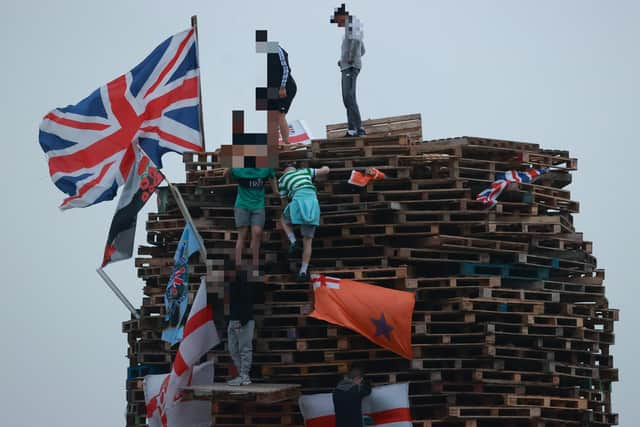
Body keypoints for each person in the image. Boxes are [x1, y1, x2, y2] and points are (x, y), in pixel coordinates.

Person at [278, 164, 330, 281]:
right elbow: (326, 171)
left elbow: (284, 201)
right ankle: (303, 271)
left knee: (283, 219)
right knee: (308, 242)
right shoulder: (305, 171)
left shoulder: (282, 179)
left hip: (298, 200)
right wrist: (325, 167)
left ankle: (293, 241)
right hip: (312, 202)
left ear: (284, 171)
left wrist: (290, 212)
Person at [224, 167, 278, 271]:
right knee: (242, 234)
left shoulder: (265, 168)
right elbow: (225, 174)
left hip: (258, 205)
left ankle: (255, 264)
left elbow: (272, 177)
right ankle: (238, 263)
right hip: (242, 205)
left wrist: (276, 191)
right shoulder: (240, 168)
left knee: (257, 233)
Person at [331, 4, 366, 137]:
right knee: (348, 98)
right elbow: (363, 50)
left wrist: (351, 58)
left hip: (350, 67)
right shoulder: (350, 26)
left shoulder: (352, 23)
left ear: (342, 16)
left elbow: (357, 42)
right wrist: (345, 60)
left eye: (337, 20)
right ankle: (352, 129)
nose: (337, 23)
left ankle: (358, 128)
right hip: (347, 65)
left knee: (349, 97)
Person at [226, 268, 255, 386]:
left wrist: (242, 320)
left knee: (244, 348)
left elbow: (246, 302)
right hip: (233, 320)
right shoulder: (229, 285)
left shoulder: (243, 285)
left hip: (243, 320)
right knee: (233, 349)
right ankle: (241, 375)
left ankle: (244, 375)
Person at [268, 43, 297, 144]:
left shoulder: (275, 49)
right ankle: (272, 142)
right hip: (272, 88)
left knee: (280, 115)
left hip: (284, 87)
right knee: (270, 115)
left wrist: (283, 86)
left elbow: (286, 69)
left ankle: (286, 142)